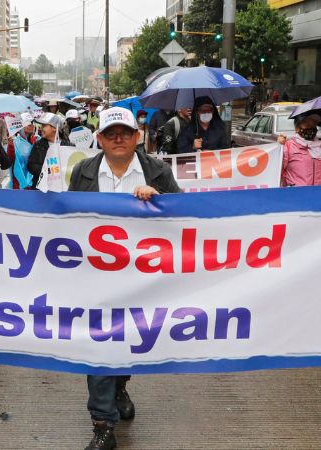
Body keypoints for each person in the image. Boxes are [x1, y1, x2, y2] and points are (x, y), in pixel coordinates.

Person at [67, 107, 180, 450]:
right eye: (110, 134)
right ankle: (103, 424)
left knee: (129, 337)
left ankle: (119, 386)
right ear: (99, 139)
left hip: (141, 277)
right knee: (99, 344)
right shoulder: (84, 172)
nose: (118, 139)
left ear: (137, 137)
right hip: (95, 277)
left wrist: (159, 201)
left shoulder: (157, 171)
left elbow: (184, 215)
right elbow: (68, 219)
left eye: (125, 133)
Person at [27, 112, 72, 189]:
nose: (41, 128)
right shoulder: (38, 145)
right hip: (41, 189)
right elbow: (31, 165)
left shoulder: (69, 146)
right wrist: (49, 171)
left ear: (54, 128)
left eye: (44, 126)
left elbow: (73, 168)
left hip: (63, 189)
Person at [8, 112, 38, 189]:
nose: (31, 125)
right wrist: (11, 146)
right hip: (19, 180)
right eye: (28, 123)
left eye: (32, 123)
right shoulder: (15, 141)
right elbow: (11, 159)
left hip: (34, 178)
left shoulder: (37, 139)